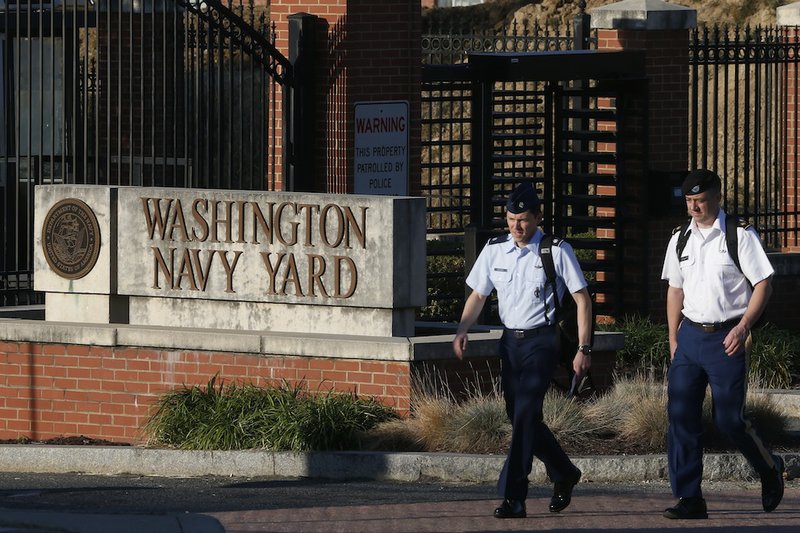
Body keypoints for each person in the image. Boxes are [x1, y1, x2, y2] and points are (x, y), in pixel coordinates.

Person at [452, 182, 593, 519]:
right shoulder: (495, 249)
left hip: (542, 342)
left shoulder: (556, 250)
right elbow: (478, 295)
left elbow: (582, 299)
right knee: (520, 416)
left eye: (523, 220)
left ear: (538, 217)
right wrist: (462, 329)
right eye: (511, 219)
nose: (516, 226)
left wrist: (585, 348)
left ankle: (513, 495)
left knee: (526, 413)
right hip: (510, 344)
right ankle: (564, 472)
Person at [660, 169, 785, 520]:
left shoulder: (739, 235)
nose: (694, 207)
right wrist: (673, 338)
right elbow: (675, 289)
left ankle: (768, 468)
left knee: (729, 419)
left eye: (700, 200)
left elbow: (764, 284)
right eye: (688, 201)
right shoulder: (680, 238)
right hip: (689, 339)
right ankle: (690, 498)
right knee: (681, 415)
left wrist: (744, 326)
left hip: (727, 338)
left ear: (717, 197)